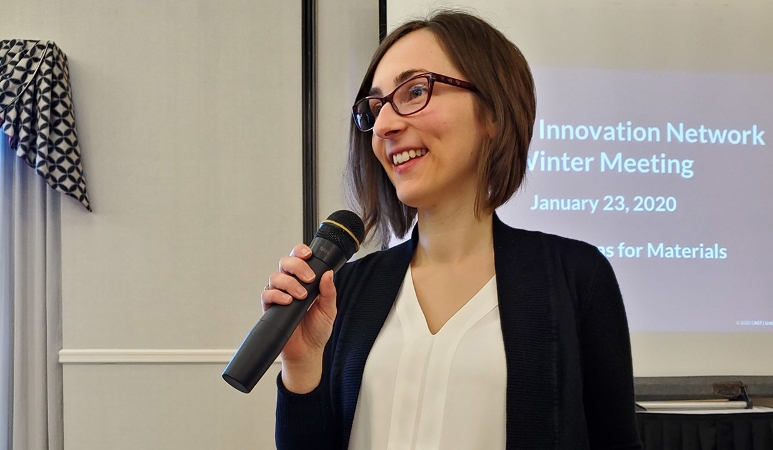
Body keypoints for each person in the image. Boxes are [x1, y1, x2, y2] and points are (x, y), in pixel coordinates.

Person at [262, 9, 643, 450]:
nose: (384, 124)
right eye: (376, 105)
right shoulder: (348, 287)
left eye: (416, 90)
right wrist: (303, 369)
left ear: (494, 112)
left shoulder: (575, 277)